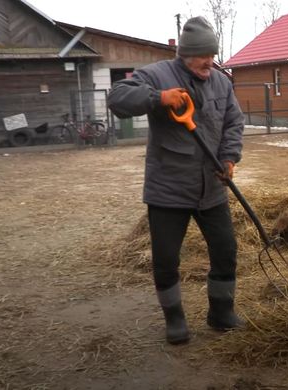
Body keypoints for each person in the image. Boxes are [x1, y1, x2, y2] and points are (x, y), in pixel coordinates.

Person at [107, 16, 245, 345]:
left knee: (226, 250)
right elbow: (117, 99)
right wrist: (158, 98)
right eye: (202, 56)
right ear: (185, 54)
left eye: (212, 55)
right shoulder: (157, 75)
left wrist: (228, 158)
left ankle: (221, 312)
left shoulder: (221, 82)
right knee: (166, 258)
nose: (208, 62)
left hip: (211, 186)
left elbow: (233, 123)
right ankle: (175, 319)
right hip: (168, 188)